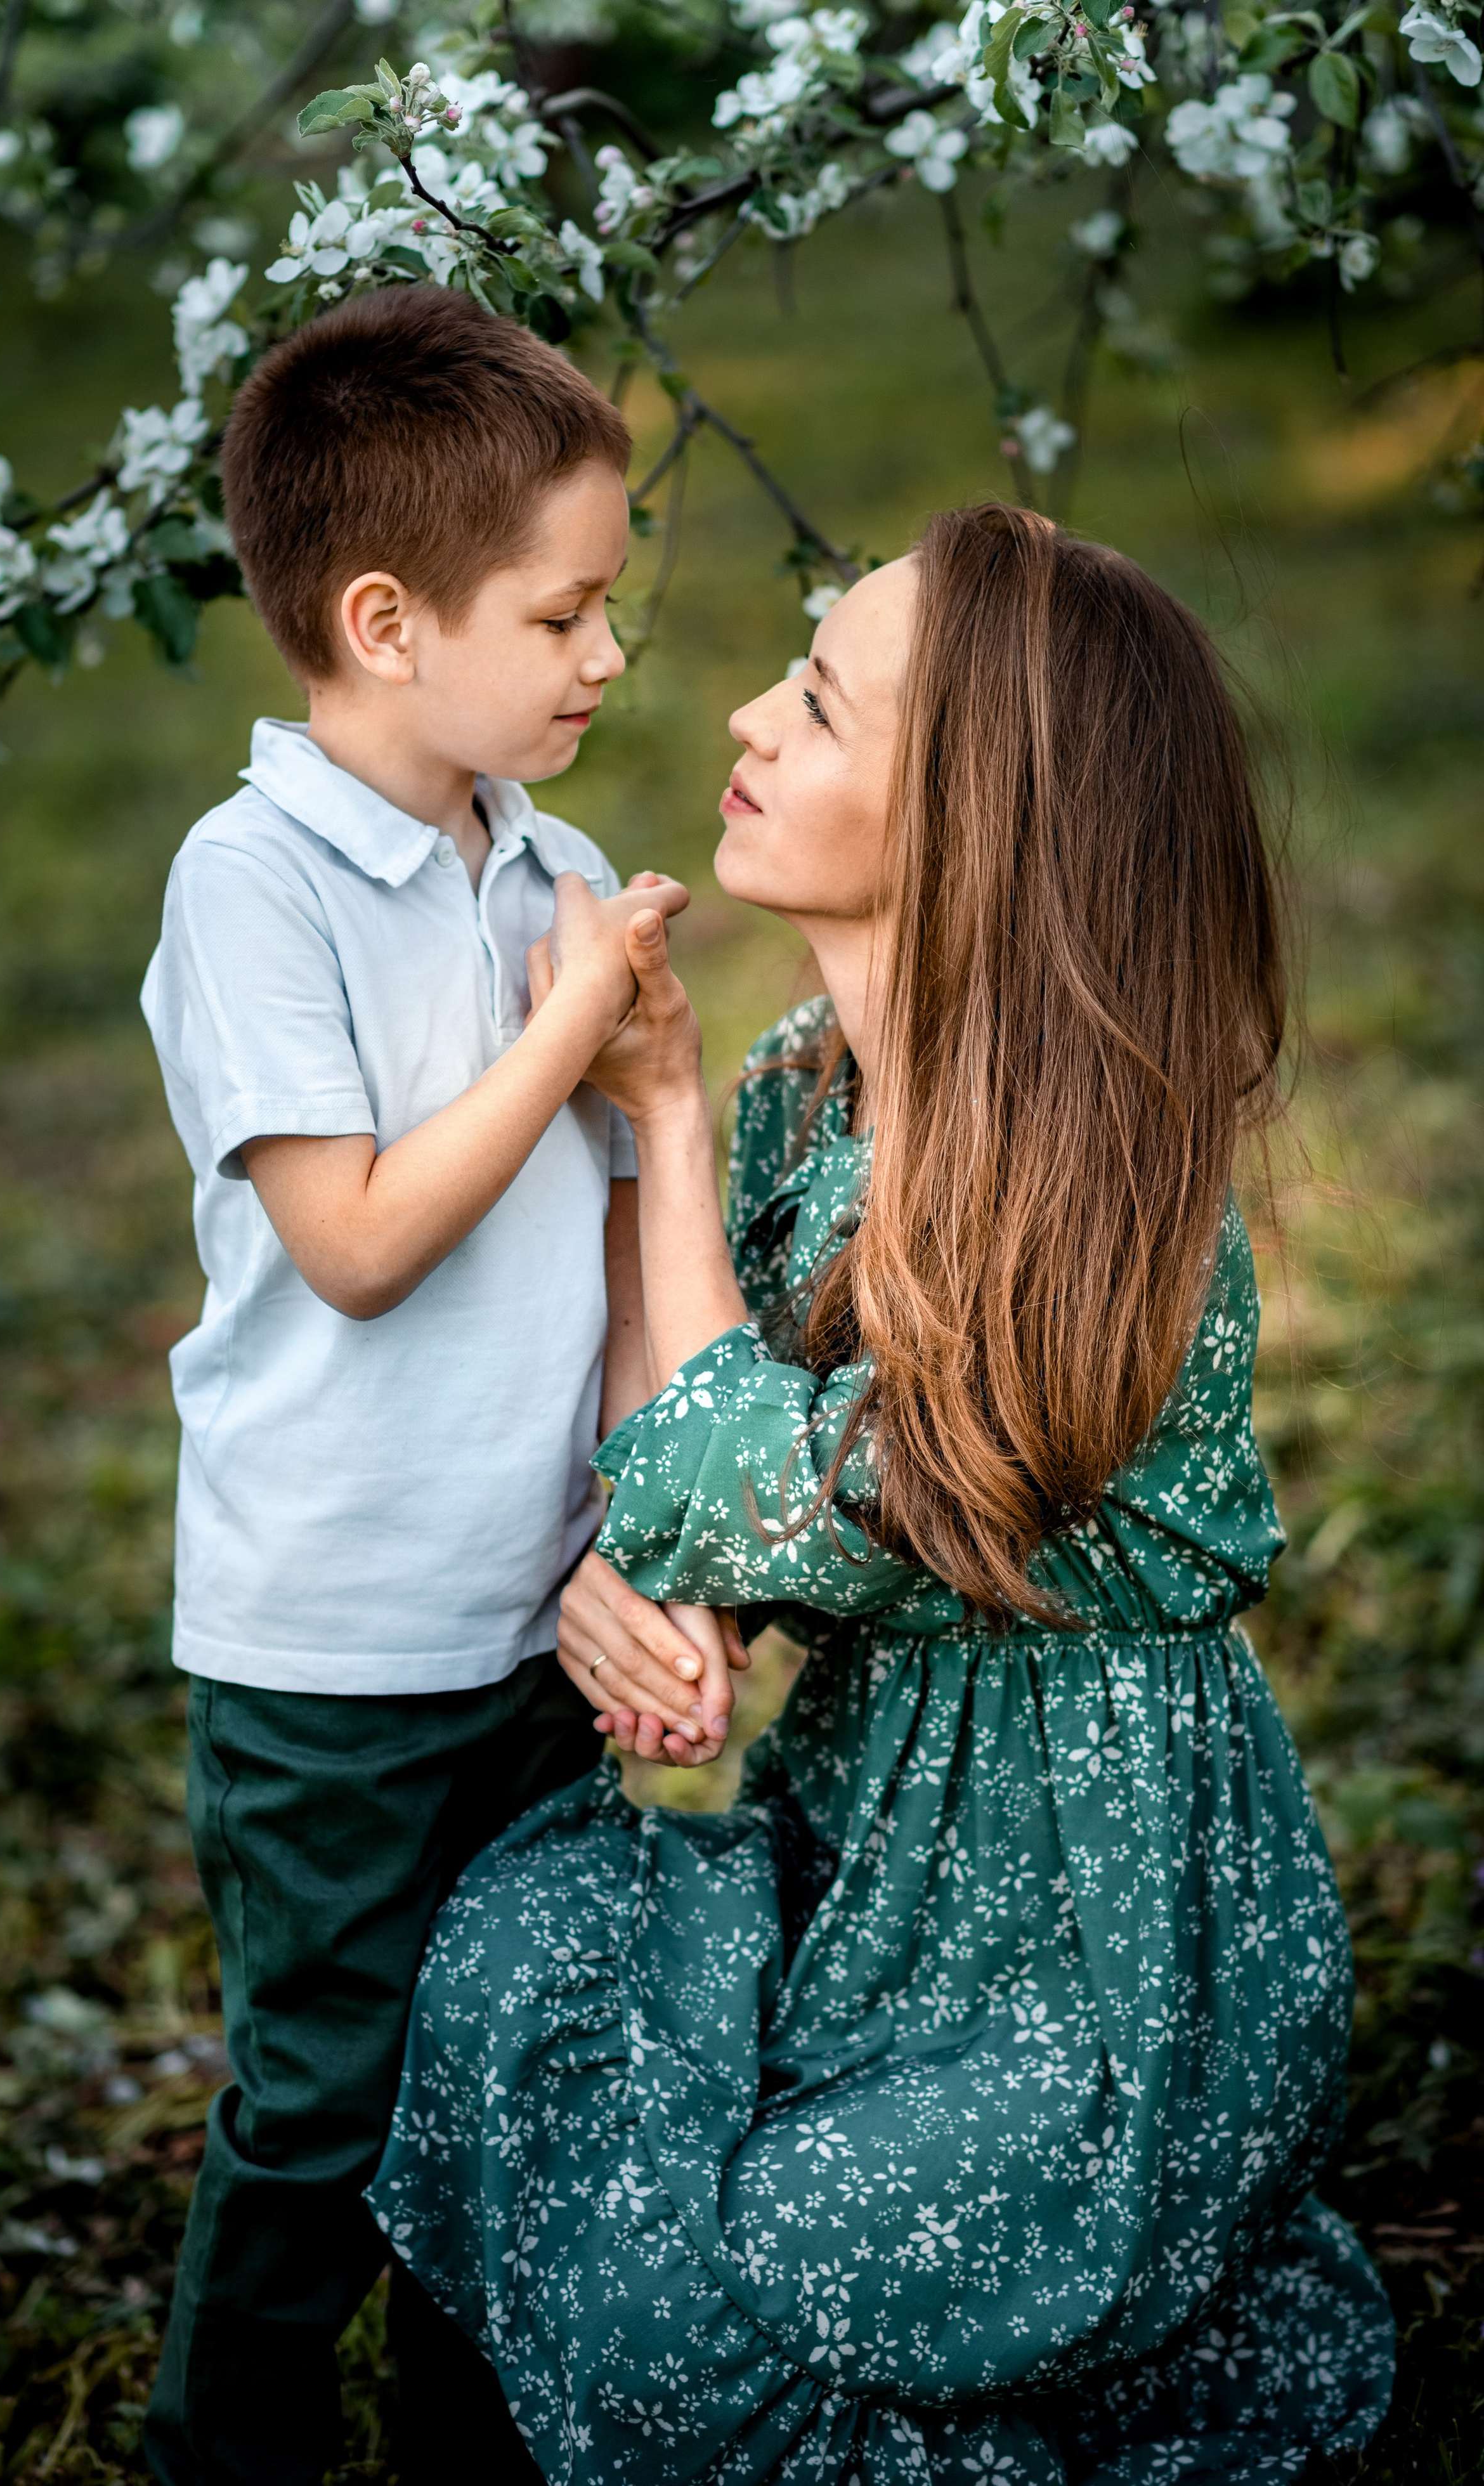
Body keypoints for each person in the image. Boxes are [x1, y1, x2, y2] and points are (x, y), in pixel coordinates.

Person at [367, 504, 1397, 2481]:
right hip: (862, 1857)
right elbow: (689, 1494)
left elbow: (751, 1477)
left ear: (979, 824)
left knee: (711, 2299)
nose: (748, 716)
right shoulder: (809, 1082)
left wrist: (663, 1122)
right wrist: (635, 1596)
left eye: (823, 704)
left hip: (1087, 1982)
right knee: (515, 1952)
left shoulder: (1110, 1215)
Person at [136, 282, 708, 2486]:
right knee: (328, 2102)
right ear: (385, 621)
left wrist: (635, 1537)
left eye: (607, 608)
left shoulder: (544, 866)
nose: (606, 657)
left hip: (528, 1613)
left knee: (511, 2088)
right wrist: (570, 1026)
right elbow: (359, 1246)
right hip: (337, 1645)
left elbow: (615, 1234)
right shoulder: (252, 879)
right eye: (562, 615)